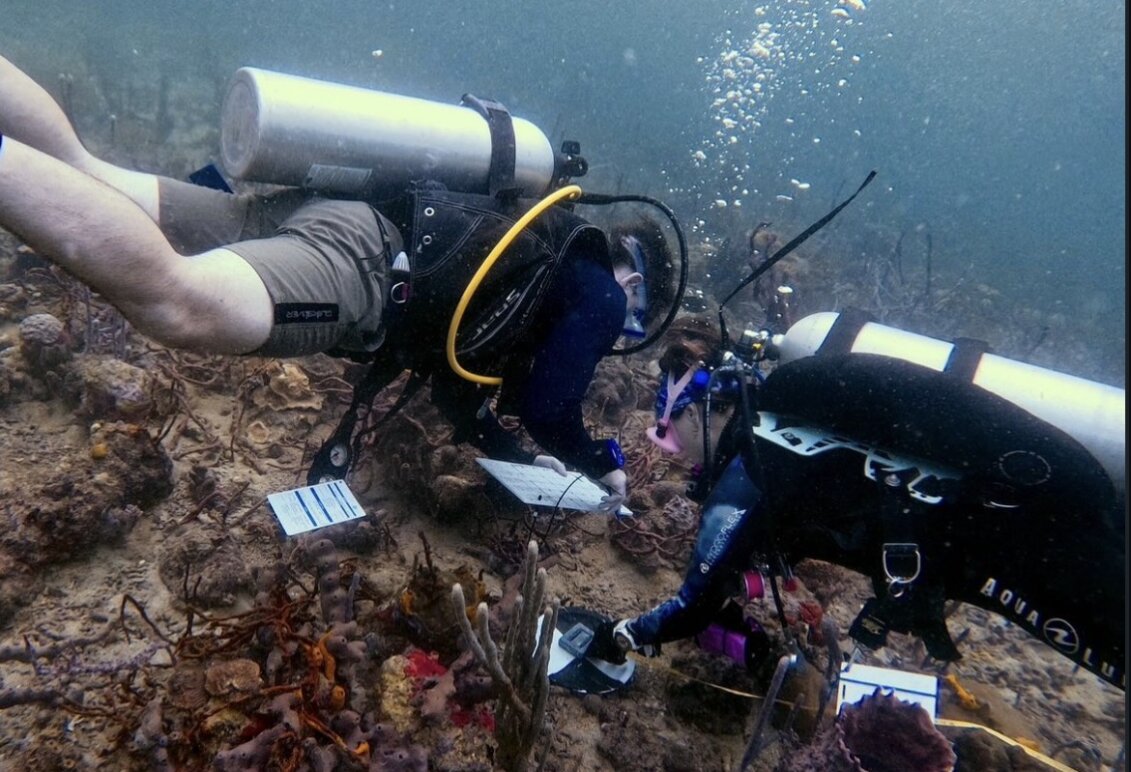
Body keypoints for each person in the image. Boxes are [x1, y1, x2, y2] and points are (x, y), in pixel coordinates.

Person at [0, 54, 676, 505]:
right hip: (363, 265)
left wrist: (521, 458)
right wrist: (599, 462)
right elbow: (550, 407)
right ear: (637, 280)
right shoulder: (602, 289)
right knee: (179, 301)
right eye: (637, 315)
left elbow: (455, 386)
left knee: (93, 171)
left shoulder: (539, 251)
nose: (624, 325)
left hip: (334, 214)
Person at [588, 314, 1125, 692]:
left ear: (711, 403)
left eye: (668, 409)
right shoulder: (793, 428)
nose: (666, 436)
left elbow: (690, 604)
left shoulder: (753, 466)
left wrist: (618, 635)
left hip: (1023, 546)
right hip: (1027, 528)